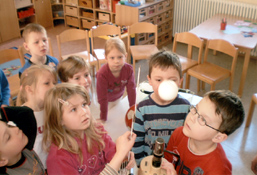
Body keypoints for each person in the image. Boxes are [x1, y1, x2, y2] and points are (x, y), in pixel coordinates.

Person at [43, 83, 135, 174]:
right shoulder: (58, 158)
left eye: (84, 104)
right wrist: (119, 155)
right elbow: (116, 158)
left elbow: (112, 154)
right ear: (59, 119)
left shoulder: (97, 130)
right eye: (73, 109)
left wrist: (125, 155)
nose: (84, 112)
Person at [164, 90, 245, 174]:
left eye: (203, 119)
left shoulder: (219, 170)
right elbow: (167, 160)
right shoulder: (179, 133)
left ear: (218, 137)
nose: (192, 117)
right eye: (195, 109)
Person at [132, 50, 190, 166]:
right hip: (150, 163)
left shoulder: (186, 108)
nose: (165, 85)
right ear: (149, 80)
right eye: (159, 80)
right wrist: (140, 163)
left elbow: (188, 140)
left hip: (175, 163)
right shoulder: (142, 108)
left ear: (180, 81)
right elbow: (137, 140)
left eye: (172, 80)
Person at [16, 64, 57, 168]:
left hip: (52, 163)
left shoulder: (51, 109)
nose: (53, 87)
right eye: (47, 83)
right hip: (34, 168)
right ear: (29, 89)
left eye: (54, 83)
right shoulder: (20, 117)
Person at [96, 38, 136, 121]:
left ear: (125, 56)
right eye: (112, 58)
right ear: (106, 58)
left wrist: (133, 109)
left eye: (120, 57)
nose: (116, 61)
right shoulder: (102, 74)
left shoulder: (129, 70)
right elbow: (102, 98)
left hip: (118, 98)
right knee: (109, 122)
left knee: (117, 118)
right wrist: (103, 117)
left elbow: (131, 90)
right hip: (106, 102)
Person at [0, 106, 45, 174]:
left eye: (9, 125)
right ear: (2, 161)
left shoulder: (26, 147)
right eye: (8, 137)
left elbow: (26, 113)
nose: (16, 128)